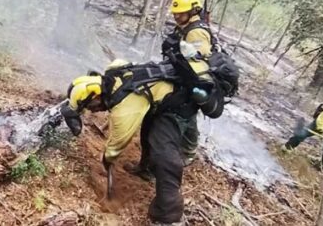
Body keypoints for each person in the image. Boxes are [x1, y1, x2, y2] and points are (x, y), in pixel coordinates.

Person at [60, 57, 223, 225]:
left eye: (91, 106)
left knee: (163, 153)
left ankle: (168, 215)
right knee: (148, 132)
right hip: (162, 98)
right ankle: (146, 170)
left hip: (179, 103)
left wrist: (107, 158)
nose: (93, 110)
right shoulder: (113, 73)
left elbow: (118, 143)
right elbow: (121, 62)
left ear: (97, 95)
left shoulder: (124, 108)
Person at [157, 0, 215, 166]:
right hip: (185, 77)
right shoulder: (186, 26)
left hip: (192, 80)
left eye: (180, 13)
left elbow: (198, 58)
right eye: (175, 12)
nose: (176, 15)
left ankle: (175, 157)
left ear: (192, 11)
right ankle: (189, 149)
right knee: (188, 115)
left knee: (180, 117)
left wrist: (180, 53)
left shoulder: (197, 32)